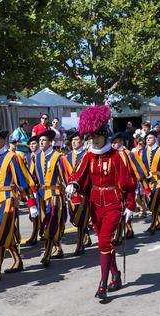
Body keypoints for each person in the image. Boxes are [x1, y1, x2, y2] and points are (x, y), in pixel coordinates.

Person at [66, 104, 137, 301]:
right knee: (104, 244)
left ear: (105, 135)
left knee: (105, 242)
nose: (93, 140)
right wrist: (73, 184)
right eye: (90, 137)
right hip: (95, 204)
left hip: (114, 203)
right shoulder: (89, 155)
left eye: (96, 136)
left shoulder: (117, 156)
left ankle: (103, 284)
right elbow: (78, 174)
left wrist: (130, 204)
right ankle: (116, 275)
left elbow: (128, 182)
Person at [0, 130, 38, 282]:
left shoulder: (13, 157)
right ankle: (18, 260)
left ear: (3, 141)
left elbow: (24, 181)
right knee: (5, 232)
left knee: (0, 233)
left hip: (9, 199)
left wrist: (31, 204)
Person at [30, 130, 68, 267]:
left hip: (55, 194)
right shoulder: (36, 157)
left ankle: (47, 254)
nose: (41, 142)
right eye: (40, 140)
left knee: (51, 222)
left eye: (44, 140)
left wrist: (69, 188)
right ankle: (58, 248)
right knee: (45, 223)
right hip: (41, 195)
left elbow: (65, 176)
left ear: (51, 142)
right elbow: (32, 176)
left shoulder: (59, 157)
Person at [65, 132, 92, 255]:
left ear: (82, 141)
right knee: (74, 219)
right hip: (71, 194)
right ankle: (87, 237)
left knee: (81, 219)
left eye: (76, 139)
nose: (74, 142)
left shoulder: (88, 155)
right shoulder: (66, 157)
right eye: (72, 140)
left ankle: (80, 245)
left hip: (84, 193)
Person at [24, 135, 43, 246]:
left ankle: (37, 234)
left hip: (41, 188)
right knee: (34, 214)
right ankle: (35, 234)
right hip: (32, 189)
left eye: (34, 143)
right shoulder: (28, 157)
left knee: (41, 213)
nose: (32, 146)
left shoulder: (41, 156)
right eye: (30, 144)